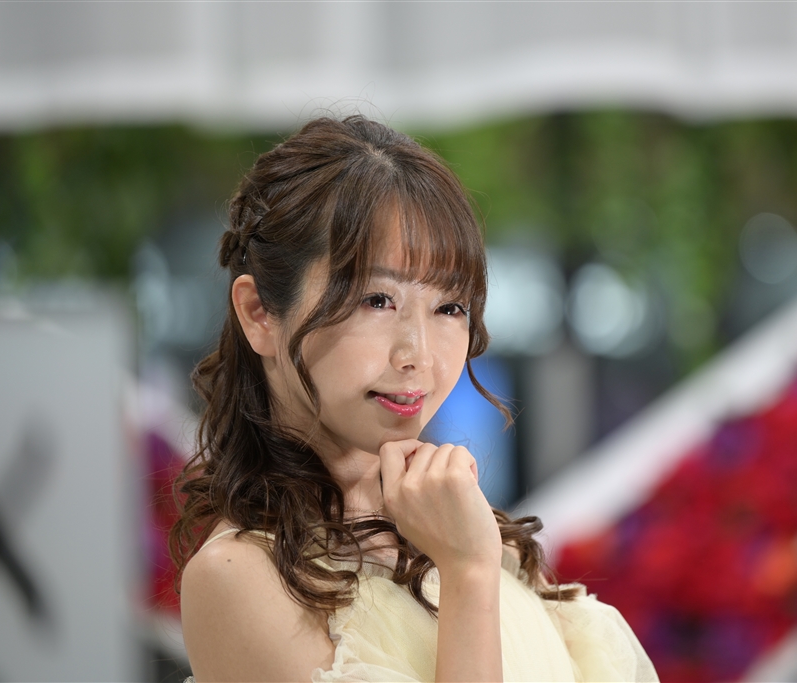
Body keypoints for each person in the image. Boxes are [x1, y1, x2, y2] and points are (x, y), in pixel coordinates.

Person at [170, 115, 657, 682]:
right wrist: (468, 575)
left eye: (450, 308)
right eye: (376, 300)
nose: (418, 355)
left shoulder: (467, 531)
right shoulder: (239, 576)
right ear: (259, 313)